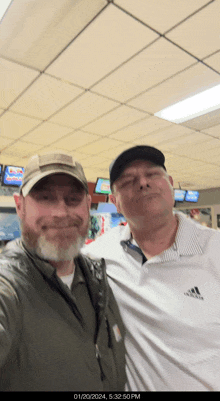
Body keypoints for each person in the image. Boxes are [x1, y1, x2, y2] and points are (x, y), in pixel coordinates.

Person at [83, 145, 220, 391]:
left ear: (170, 184)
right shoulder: (99, 255)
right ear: (115, 202)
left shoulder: (215, 250)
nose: (143, 183)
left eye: (153, 174)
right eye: (128, 181)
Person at [0, 151, 126, 392]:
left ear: (88, 206)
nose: (60, 212)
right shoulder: (9, 287)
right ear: (20, 206)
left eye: (73, 199)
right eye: (45, 197)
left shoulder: (99, 278)